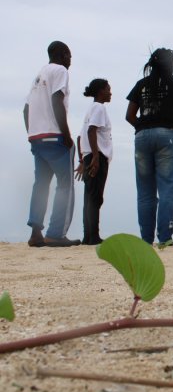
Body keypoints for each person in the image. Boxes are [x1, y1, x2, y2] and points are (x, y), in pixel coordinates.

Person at [126, 48, 173, 245]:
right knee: (167, 188)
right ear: (171, 64)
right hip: (167, 134)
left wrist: (141, 127)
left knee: (145, 191)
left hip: (142, 137)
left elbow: (129, 115)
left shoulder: (141, 84)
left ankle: (146, 240)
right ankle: (165, 238)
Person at [23, 41, 80, 247]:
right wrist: (65, 134)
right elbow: (57, 100)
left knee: (41, 185)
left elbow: (26, 109)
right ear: (63, 55)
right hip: (54, 136)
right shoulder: (60, 71)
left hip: (37, 137)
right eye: (70, 56)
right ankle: (56, 233)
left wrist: (32, 133)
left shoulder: (39, 74)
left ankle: (36, 232)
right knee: (66, 185)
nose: (70, 61)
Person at [75, 79, 113, 245]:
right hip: (97, 156)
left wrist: (82, 159)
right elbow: (91, 131)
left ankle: (88, 236)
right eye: (108, 89)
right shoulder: (99, 107)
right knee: (95, 197)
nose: (110, 93)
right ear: (100, 91)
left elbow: (79, 137)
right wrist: (96, 158)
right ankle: (93, 236)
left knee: (90, 197)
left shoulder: (91, 109)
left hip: (89, 155)